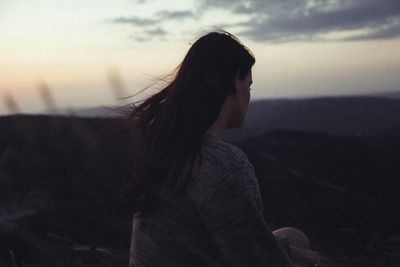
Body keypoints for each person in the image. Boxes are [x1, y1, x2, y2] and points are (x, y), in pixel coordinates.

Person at [124, 31, 326, 267]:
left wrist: (286, 249)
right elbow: (254, 260)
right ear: (234, 81)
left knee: (293, 237)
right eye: (248, 86)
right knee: (300, 247)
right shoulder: (223, 163)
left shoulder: (167, 148)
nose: (248, 96)